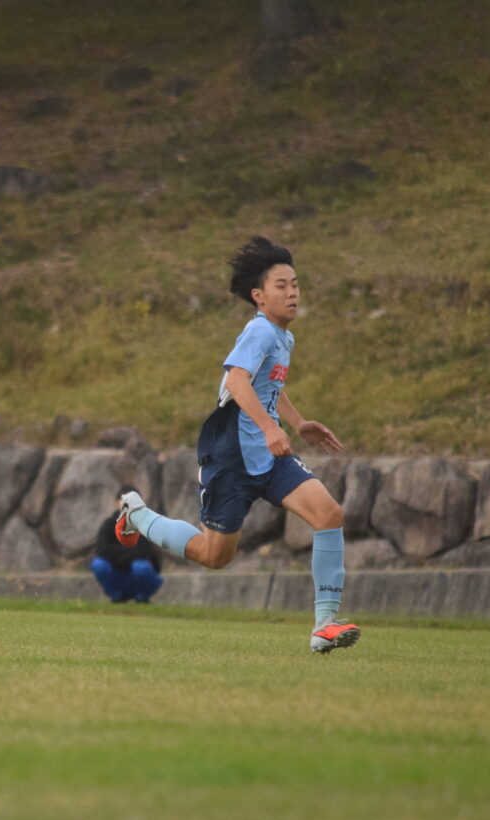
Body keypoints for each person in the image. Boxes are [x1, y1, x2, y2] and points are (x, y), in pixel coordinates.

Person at [114, 236, 360, 654]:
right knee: (215, 556)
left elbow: (269, 384)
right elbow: (236, 380)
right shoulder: (260, 330)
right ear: (259, 297)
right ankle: (137, 516)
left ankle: (325, 625)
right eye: (281, 286)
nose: (293, 292)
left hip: (271, 455)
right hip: (231, 458)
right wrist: (269, 428)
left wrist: (297, 424)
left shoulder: (284, 338)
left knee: (328, 513)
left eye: (296, 284)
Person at [91, 493, 163, 603]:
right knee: (98, 564)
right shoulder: (108, 525)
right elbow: (102, 550)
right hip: (118, 575)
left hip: (139, 576)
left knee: (141, 567)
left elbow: (146, 553)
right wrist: (129, 553)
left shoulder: (144, 526)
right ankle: (117, 597)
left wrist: (118, 555)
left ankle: (142, 597)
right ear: (117, 503)